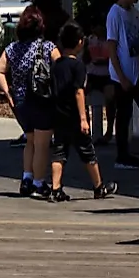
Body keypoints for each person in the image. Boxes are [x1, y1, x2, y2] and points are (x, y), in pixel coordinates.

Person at [38, 23, 117, 200]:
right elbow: (79, 91)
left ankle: (56, 188)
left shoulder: (57, 65)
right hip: (74, 115)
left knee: (59, 151)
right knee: (87, 151)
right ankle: (99, 186)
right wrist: (83, 118)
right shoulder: (78, 66)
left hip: (58, 114)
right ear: (80, 42)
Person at [0, 6, 57, 198]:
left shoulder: (12, 49)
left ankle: (27, 178)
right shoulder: (48, 47)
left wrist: (8, 92)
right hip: (41, 99)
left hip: (20, 101)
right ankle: (39, 184)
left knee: (30, 140)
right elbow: (62, 66)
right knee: (42, 144)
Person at [103, 0, 139, 164]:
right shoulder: (115, 13)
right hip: (124, 75)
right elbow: (111, 46)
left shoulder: (135, 13)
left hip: (137, 73)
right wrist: (121, 76)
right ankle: (122, 154)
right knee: (124, 114)